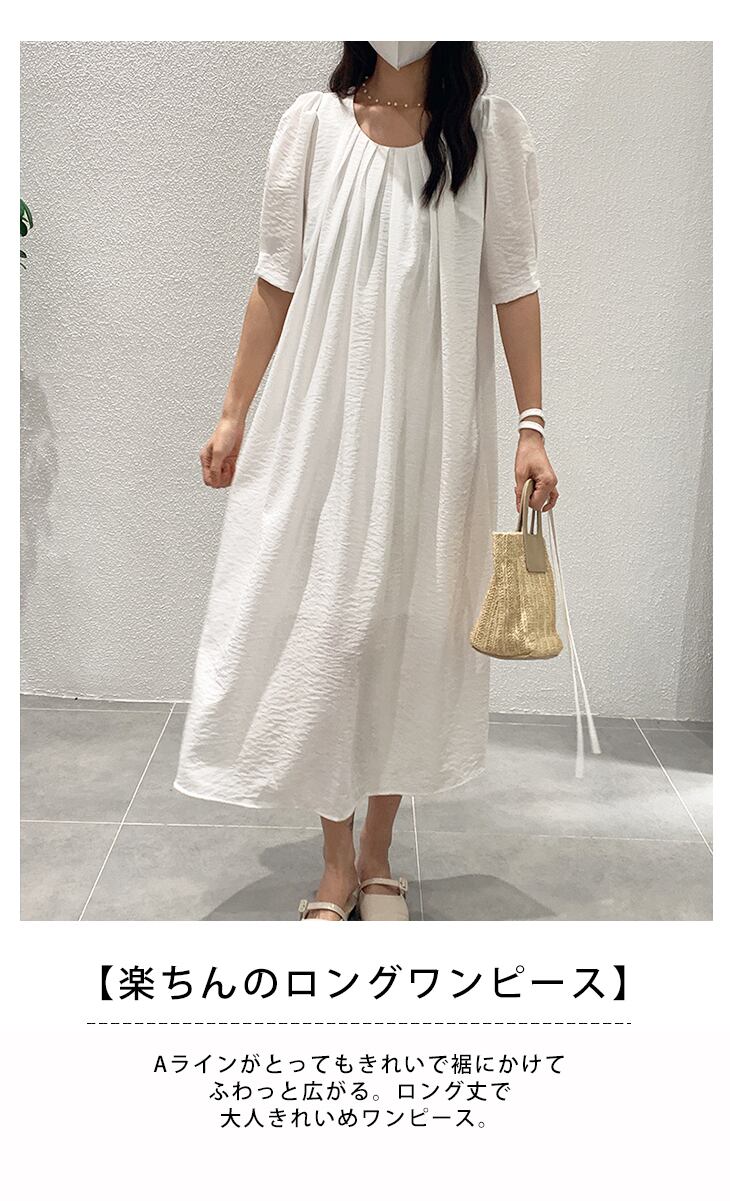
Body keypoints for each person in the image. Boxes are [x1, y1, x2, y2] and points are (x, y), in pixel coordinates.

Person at [174, 41, 559, 921]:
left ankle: (379, 856)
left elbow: (517, 284)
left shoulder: (488, 134)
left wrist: (532, 425)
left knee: (410, 634)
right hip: (327, 424)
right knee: (333, 636)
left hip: (434, 433)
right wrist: (233, 412)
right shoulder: (314, 127)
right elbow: (275, 279)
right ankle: (335, 862)